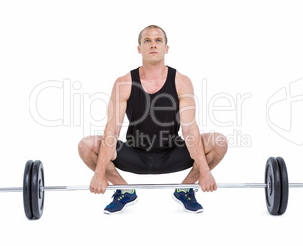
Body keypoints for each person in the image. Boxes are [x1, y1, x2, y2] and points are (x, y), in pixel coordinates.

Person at [78, 25, 228, 214]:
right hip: (134, 153)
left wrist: (205, 172)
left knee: (219, 142)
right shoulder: (124, 82)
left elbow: (189, 130)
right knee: (86, 145)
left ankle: (186, 189)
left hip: (172, 152)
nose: (153, 45)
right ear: (139, 48)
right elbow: (112, 131)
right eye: (147, 41)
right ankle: (124, 191)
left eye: (158, 40)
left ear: (166, 48)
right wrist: (99, 174)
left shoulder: (181, 81)